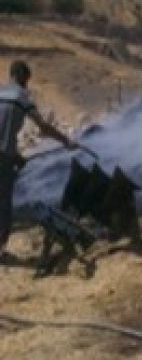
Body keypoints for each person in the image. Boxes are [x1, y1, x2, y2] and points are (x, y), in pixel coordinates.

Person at [0, 60, 77, 261]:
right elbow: (43, 127)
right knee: (3, 206)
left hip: (6, 156)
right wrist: (65, 141)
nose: (27, 84)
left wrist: (16, 156)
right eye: (26, 80)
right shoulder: (22, 97)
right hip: (3, 160)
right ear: (21, 78)